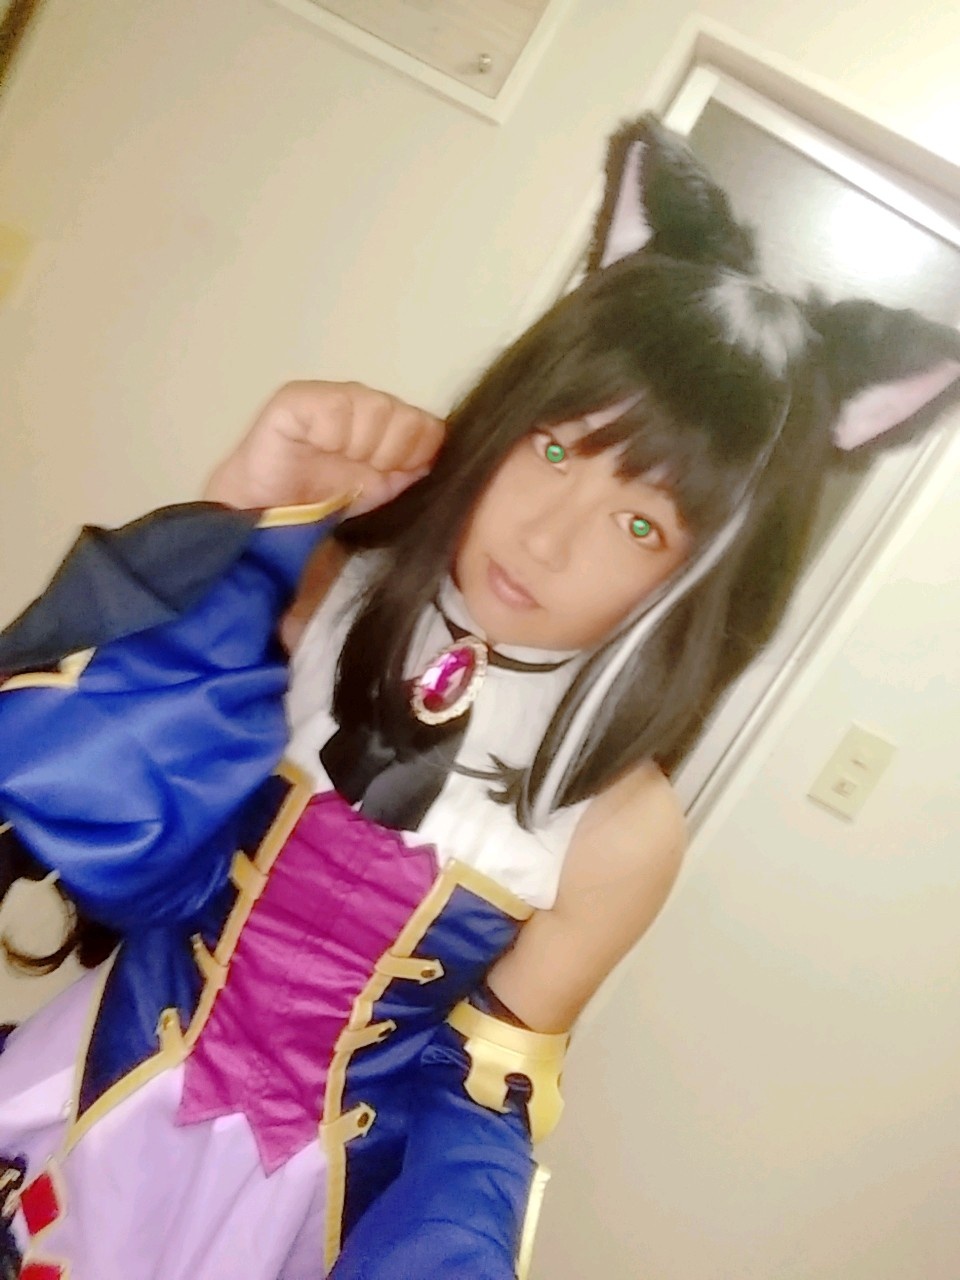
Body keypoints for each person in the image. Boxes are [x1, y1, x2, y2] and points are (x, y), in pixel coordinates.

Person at [0, 116, 957, 1280]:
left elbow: (480, 1091)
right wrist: (241, 521)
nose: (547, 538)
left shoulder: (623, 831)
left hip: (283, 1221)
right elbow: (81, 805)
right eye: (556, 450)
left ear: (706, 581)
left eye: (641, 521)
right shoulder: (313, 591)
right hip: (74, 1095)